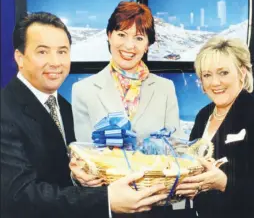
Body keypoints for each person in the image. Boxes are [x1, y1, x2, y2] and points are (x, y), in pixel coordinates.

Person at [0, 12, 169, 218]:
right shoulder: (6, 109)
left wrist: (78, 175)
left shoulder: (61, 105)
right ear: (20, 57)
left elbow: (62, 170)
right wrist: (106, 200)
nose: (55, 62)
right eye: (42, 52)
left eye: (62, 52)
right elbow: (18, 196)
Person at [71, 1, 196, 218]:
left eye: (139, 38)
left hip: (157, 205)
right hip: (109, 205)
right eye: (121, 34)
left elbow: (177, 149)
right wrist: (79, 174)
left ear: (148, 44)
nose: (129, 46)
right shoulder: (83, 90)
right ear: (109, 35)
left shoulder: (165, 89)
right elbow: (86, 156)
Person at [175, 37, 254, 218]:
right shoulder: (203, 115)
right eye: (207, 75)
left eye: (223, 73)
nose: (215, 83)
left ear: (242, 73)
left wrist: (224, 183)